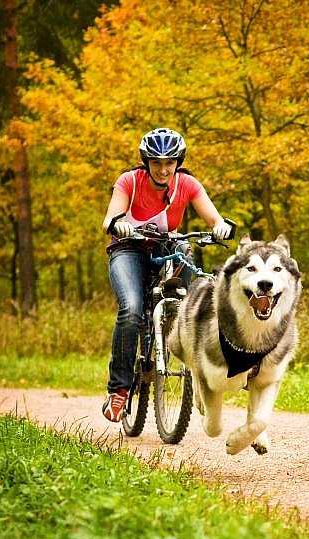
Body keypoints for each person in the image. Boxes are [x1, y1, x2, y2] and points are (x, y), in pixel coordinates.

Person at [102, 127, 232, 422]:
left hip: (166, 246)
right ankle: (119, 390)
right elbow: (110, 217)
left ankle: (174, 328)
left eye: (169, 162)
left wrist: (219, 226)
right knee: (132, 309)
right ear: (146, 162)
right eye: (156, 162)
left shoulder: (187, 184)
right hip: (128, 249)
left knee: (184, 256)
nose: (163, 169)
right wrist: (117, 224)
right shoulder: (129, 181)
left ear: (177, 162)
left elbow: (213, 217)